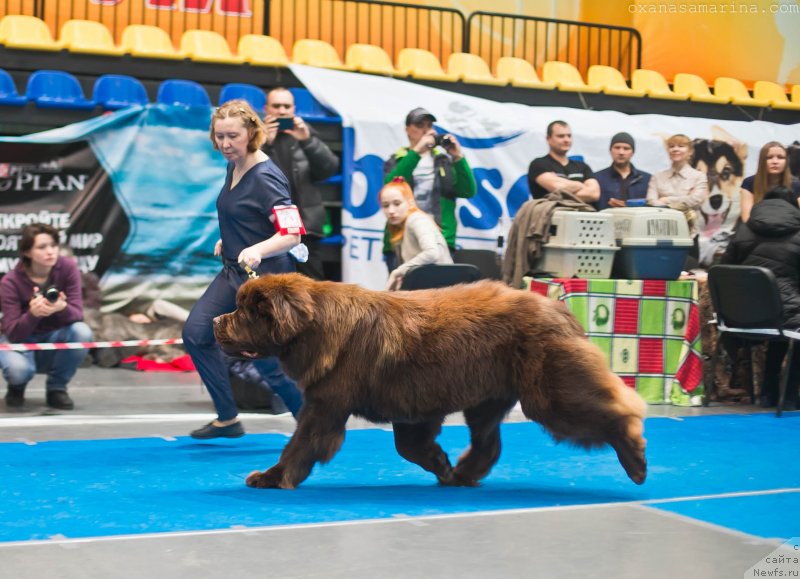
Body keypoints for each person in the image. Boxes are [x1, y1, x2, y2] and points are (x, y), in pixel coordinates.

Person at [182, 99, 304, 439]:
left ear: (252, 133)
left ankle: (312, 426)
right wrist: (231, 240)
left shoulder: (266, 176)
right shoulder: (233, 164)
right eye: (219, 136)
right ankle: (227, 418)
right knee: (196, 334)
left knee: (268, 361)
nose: (224, 144)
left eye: (232, 136)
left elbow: (292, 234)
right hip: (234, 272)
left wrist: (256, 249)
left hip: (265, 281)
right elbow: (242, 213)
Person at [722, 186, 800, 409]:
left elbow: (724, 269)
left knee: (783, 321)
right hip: (785, 316)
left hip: (741, 316)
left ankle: (767, 393)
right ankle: (790, 395)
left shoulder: (743, 232)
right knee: (790, 323)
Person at [0, 223, 92, 410]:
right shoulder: (10, 282)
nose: (50, 252)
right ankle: (17, 387)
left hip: (53, 335)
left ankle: (57, 389)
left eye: (53, 245)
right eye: (42, 247)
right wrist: (33, 314)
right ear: (27, 252)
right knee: (19, 371)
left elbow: (77, 314)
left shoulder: (68, 268)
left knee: (82, 332)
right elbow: (14, 333)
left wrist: (62, 307)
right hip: (20, 340)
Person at [261, 87, 340, 280]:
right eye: (276, 106)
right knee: (269, 285)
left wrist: (307, 141)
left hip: (304, 225)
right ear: (266, 109)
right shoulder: (257, 137)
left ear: (294, 109)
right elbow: (247, 174)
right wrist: (265, 143)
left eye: (286, 106)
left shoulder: (305, 133)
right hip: (268, 226)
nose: (281, 111)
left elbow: (329, 169)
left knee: (311, 287)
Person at [383, 107, 476, 256]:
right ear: (407, 130)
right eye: (420, 126)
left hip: (440, 239)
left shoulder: (443, 160)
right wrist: (417, 151)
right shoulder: (397, 160)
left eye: (429, 126)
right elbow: (390, 187)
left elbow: (467, 191)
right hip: (402, 238)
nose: (426, 131)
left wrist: (458, 156)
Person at [380, 177, 453, 291]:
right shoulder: (400, 226)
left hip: (440, 291)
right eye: (386, 205)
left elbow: (432, 253)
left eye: (397, 203)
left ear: (410, 203)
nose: (391, 211)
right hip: (426, 288)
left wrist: (398, 271)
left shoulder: (416, 220)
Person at [646, 134, 709, 255]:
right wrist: (682, 201)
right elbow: (651, 201)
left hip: (689, 234)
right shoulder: (657, 177)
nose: (675, 149)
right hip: (660, 234)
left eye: (681, 146)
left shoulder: (699, 176)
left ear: (690, 151)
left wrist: (665, 200)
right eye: (671, 146)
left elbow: (696, 200)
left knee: (688, 272)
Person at [527, 120, 600, 203]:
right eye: (561, 136)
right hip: (549, 214)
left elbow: (594, 194)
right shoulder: (538, 164)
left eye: (569, 136)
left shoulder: (582, 166)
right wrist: (581, 185)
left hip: (581, 214)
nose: (566, 140)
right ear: (548, 139)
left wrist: (562, 188)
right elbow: (557, 187)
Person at [739, 141, 800, 223]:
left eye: (780, 157)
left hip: (788, 231)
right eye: (769, 157)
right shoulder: (749, 183)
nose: (775, 162)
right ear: (762, 161)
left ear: (786, 161)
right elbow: (746, 218)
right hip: (756, 230)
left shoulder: (796, 185)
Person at [594, 132, 651, 209]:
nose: (621, 152)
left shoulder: (647, 179)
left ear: (632, 152)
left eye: (626, 148)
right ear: (610, 150)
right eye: (617, 147)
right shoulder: (597, 178)